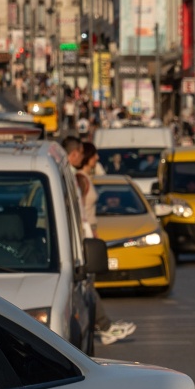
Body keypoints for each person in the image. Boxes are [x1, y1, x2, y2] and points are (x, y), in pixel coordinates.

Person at [70, 142, 136, 346]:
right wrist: (88, 231)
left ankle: (101, 325)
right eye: (94, 155)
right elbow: (79, 212)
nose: (97, 158)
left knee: (89, 284)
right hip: (83, 236)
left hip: (88, 233)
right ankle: (104, 326)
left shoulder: (85, 177)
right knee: (88, 284)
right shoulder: (80, 179)